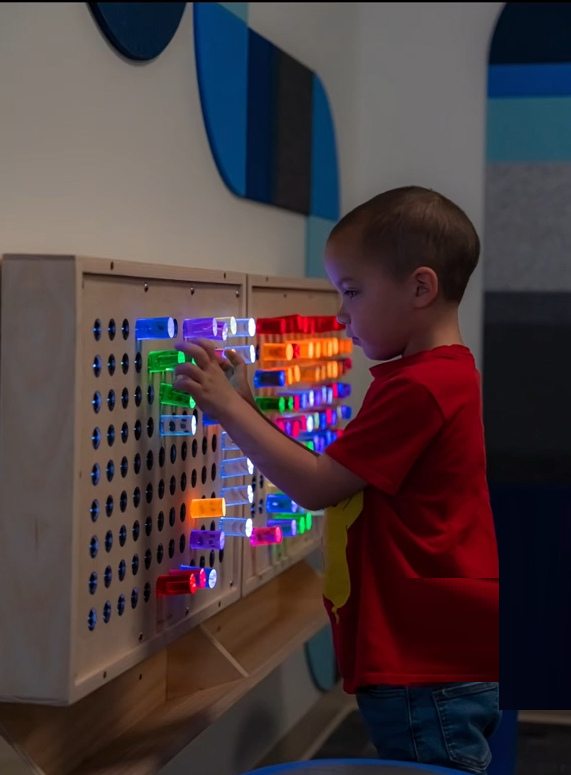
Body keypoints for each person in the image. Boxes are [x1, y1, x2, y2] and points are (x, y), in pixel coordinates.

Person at [174, 186, 500, 774]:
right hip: (424, 651)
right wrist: (252, 409)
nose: (342, 314)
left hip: (420, 660)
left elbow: (319, 485)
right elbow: (342, 474)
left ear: (420, 288)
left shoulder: (419, 389)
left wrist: (228, 408)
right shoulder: (434, 377)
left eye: (352, 291)